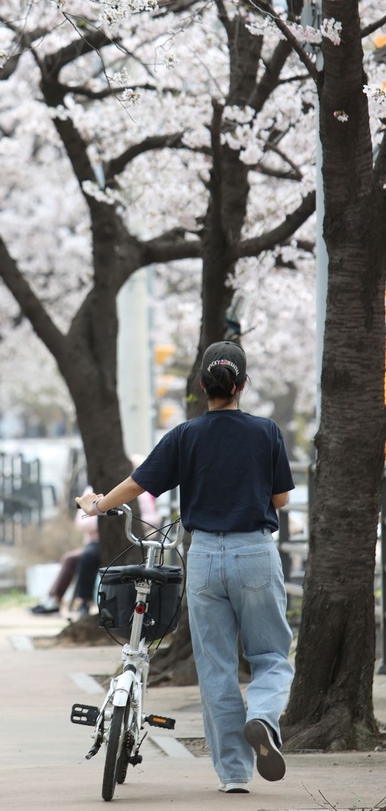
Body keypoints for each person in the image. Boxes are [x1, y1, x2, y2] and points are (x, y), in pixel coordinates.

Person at [76, 341, 294, 795]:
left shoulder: (184, 436)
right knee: (270, 656)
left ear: (202, 387)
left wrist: (97, 505)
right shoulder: (266, 431)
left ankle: (234, 774)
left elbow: (138, 483)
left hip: (204, 559)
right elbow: (281, 499)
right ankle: (262, 717)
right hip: (254, 551)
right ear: (243, 384)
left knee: (215, 667)